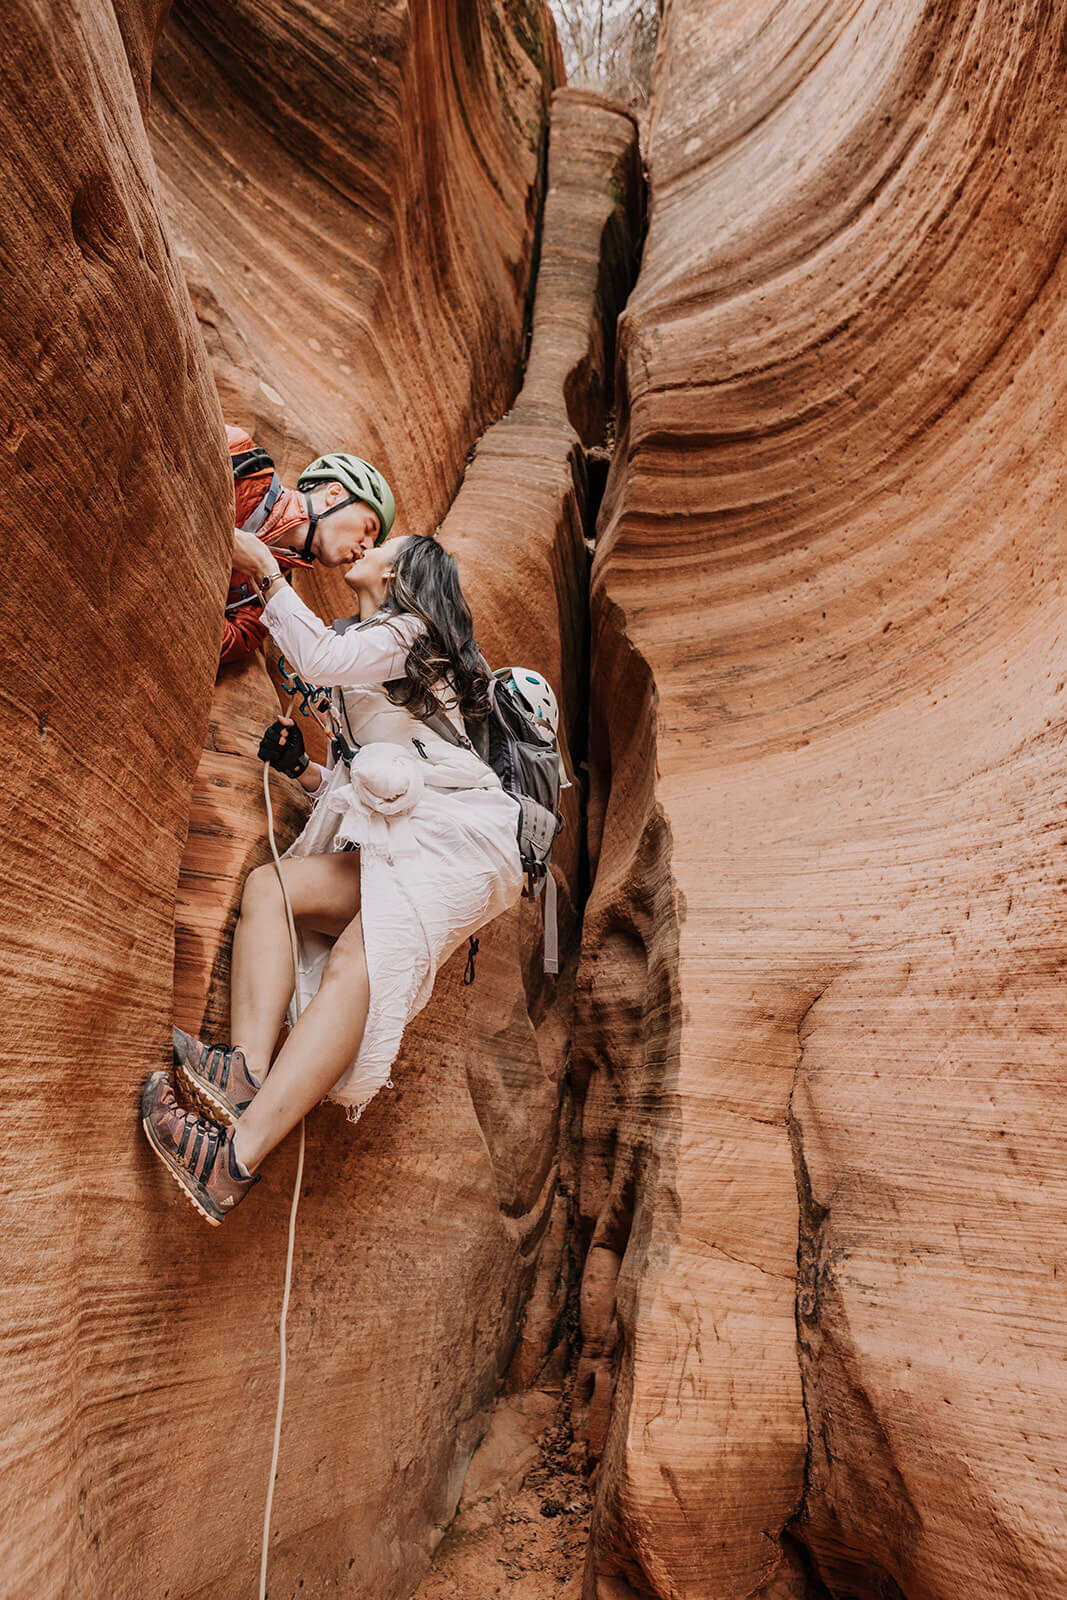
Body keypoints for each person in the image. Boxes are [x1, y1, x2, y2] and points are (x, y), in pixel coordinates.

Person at [141, 532, 524, 1223]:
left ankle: (232, 1162)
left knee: (358, 958)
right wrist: (305, 771)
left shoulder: (410, 630)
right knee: (274, 889)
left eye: (386, 546)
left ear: (406, 572)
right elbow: (374, 784)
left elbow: (319, 656)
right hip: (421, 834)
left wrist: (262, 569)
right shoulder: (380, 653)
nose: (364, 550)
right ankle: (246, 1072)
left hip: (463, 840)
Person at [221, 426, 396, 663]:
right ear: (334, 494)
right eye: (367, 528)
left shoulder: (265, 601)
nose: (367, 548)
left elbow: (221, 643)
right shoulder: (238, 454)